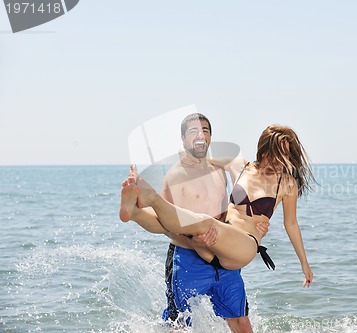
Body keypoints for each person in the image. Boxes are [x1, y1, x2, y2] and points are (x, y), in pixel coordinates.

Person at [122, 113, 267, 332]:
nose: (201, 136)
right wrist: (196, 240)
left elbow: (233, 206)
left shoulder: (219, 169)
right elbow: (166, 223)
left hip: (222, 256)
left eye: (205, 131)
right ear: (183, 139)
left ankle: (134, 210)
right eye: (194, 132)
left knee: (241, 321)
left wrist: (254, 224)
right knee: (180, 324)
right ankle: (135, 209)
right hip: (187, 259)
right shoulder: (176, 175)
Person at [120, 124, 315, 287]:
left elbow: (291, 224)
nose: (281, 162)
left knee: (203, 222)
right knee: (176, 228)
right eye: (277, 156)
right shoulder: (240, 166)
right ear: (264, 151)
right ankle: (135, 213)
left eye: (286, 157)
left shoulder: (287, 184)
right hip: (216, 242)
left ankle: (151, 198)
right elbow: (198, 157)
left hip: (244, 246)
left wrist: (304, 264)